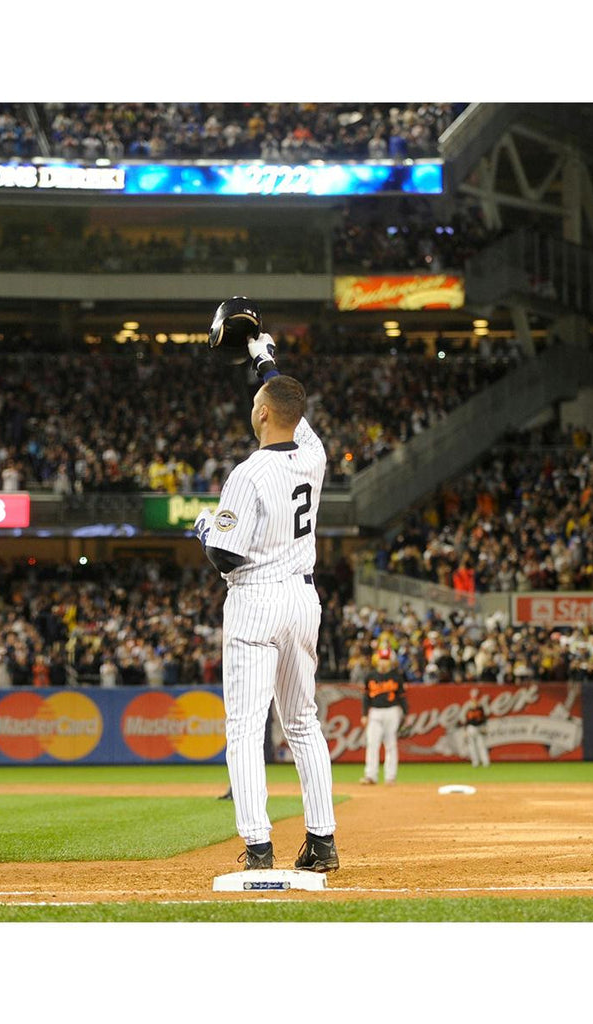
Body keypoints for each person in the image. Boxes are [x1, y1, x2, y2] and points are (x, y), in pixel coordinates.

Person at [193, 326, 339, 874]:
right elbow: (285, 397)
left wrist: (204, 529)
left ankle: (258, 848)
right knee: (303, 723)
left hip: (255, 599)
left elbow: (225, 557)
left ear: (261, 416)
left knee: (245, 727)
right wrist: (263, 355)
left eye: (256, 403)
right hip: (303, 601)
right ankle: (322, 842)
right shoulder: (314, 454)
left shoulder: (247, 474)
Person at [360, 643, 408, 786]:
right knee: (372, 744)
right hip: (374, 711)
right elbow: (366, 697)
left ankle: (390, 777)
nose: (383, 661)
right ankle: (370, 776)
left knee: (391, 744)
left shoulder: (396, 676)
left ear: (390, 661)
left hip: (392, 711)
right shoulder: (370, 676)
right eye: (382, 658)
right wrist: (364, 714)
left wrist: (405, 713)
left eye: (386, 659)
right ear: (377, 659)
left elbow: (402, 697)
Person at [463, 690, 490, 767]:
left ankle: (485, 762)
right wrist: (465, 731)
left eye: (475, 701)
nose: (474, 703)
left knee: (482, 745)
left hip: (479, 727)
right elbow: (466, 721)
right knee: (472, 746)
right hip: (471, 728)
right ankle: (475, 762)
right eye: (473, 701)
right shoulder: (468, 709)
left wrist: (485, 727)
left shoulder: (480, 709)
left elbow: (484, 719)